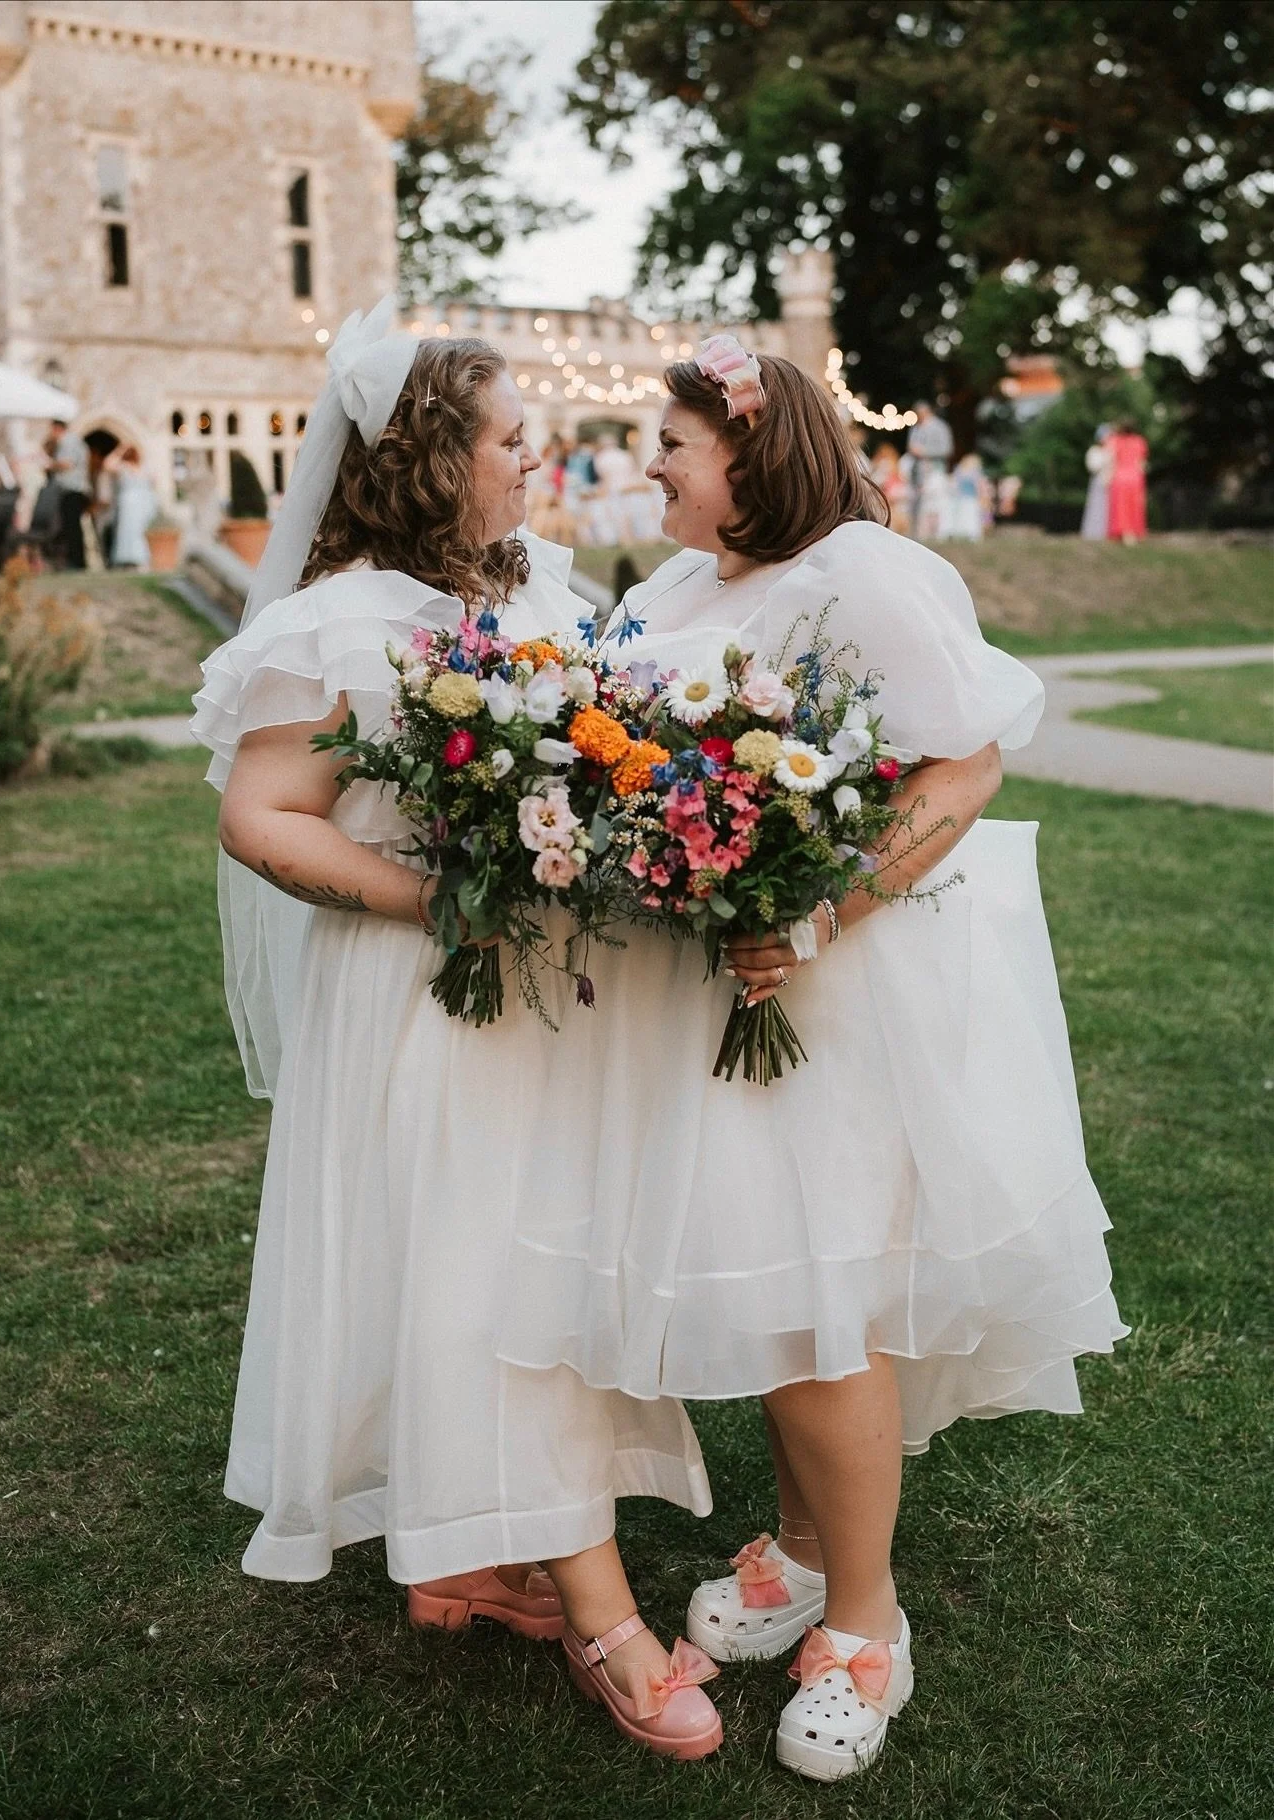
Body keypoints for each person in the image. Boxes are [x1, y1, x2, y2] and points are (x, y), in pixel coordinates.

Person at [497, 339, 1126, 1783]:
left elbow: (962, 765)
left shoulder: (866, 576)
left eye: (671, 439)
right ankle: (787, 1552)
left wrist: (816, 910)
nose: (648, 463)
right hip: (693, 997)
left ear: (752, 448)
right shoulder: (669, 591)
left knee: (821, 1302)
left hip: (827, 993)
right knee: (770, 1288)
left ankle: (865, 1622)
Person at [189, 299, 724, 1762]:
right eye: (505, 436)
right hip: (421, 993)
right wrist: (432, 900)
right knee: (491, 1277)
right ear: (429, 457)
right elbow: (260, 818)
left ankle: (467, 1560)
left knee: (527, 1266)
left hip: (555, 999)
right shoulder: (331, 625)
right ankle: (605, 1618)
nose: (532, 454)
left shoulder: (543, 595)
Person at [46, 418, 91, 569]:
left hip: (72, 489)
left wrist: (49, 464)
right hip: (73, 489)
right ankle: (74, 560)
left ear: (56, 429)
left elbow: (68, 463)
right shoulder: (72, 441)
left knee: (72, 527)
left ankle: (76, 562)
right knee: (71, 526)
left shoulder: (68, 442)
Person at [906, 400, 953, 540]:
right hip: (917, 472)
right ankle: (918, 533)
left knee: (935, 503)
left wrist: (924, 452)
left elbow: (946, 449)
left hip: (934, 471)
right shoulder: (915, 428)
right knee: (917, 503)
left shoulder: (940, 427)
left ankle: (938, 533)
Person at [105, 445, 158, 568]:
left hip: (130, 503)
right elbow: (154, 483)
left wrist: (118, 451)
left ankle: (133, 558)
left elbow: (107, 464)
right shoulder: (143, 469)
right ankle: (138, 559)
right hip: (144, 502)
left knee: (131, 530)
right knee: (136, 531)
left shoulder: (124, 468)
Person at [1105, 419, 1148, 543]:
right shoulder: (1140, 442)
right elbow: (1141, 464)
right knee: (1134, 506)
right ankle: (1132, 533)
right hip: (1135, 478)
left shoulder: (1115, 441)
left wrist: (1108, 477)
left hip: (1119, 478)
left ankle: (1124, 533)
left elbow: (1111, 461)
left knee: (1121, 508)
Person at [943, 451, 989, 541]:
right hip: (966, 498)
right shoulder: (971, 472)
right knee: (967, 516)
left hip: (967, 498)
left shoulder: (962, 471)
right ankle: (968, 534)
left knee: (967, 516)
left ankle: (969, 534)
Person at [1080, 424, 1113, 539]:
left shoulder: (1112, 451)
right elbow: (1093, 467)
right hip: (1099, 482)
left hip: (1110, 482)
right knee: (1097, 508)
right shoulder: (1094, 451)